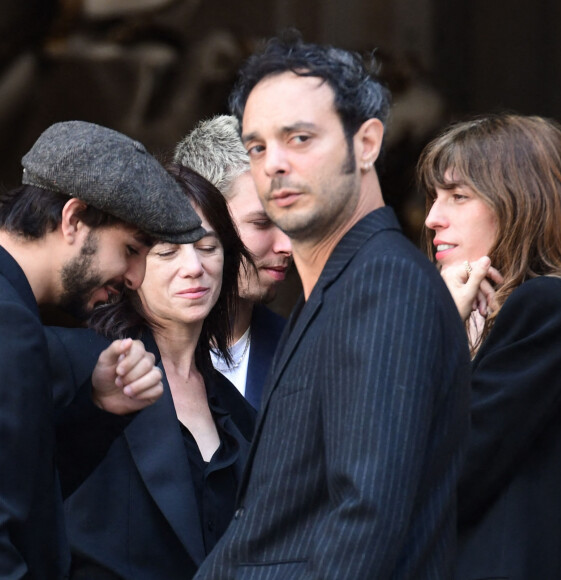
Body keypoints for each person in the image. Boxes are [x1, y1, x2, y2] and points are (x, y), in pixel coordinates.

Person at [194, 34, 471, 580]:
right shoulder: (341, 285)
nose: (273, 164)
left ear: (366, 143)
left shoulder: (383, 282)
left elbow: (365, 516)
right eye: (257, 147)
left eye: (299, 138)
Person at [0, 120, 205, 578]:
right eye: (131, 249)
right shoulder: (9, 323)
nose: (134, 277)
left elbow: (28, 492)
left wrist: (96, 410)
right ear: (73, 219)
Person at [52, 163, 257, 579]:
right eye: (166, 251)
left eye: (208, 247)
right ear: (130, 264)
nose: (194, 267)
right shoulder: (71, 362)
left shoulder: (239, 410)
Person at [420, 113, 561, 580]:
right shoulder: (518, 309)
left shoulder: (548, 304)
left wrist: (442, 330)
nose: (432, 217)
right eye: (434, 196)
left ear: (521, 204)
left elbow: (453, 473)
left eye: (458, 196)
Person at [174, 115, 292, 408]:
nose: (288, 245)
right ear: (197, 215)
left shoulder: (304, 352)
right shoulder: (121, 359)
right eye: (263, 222)